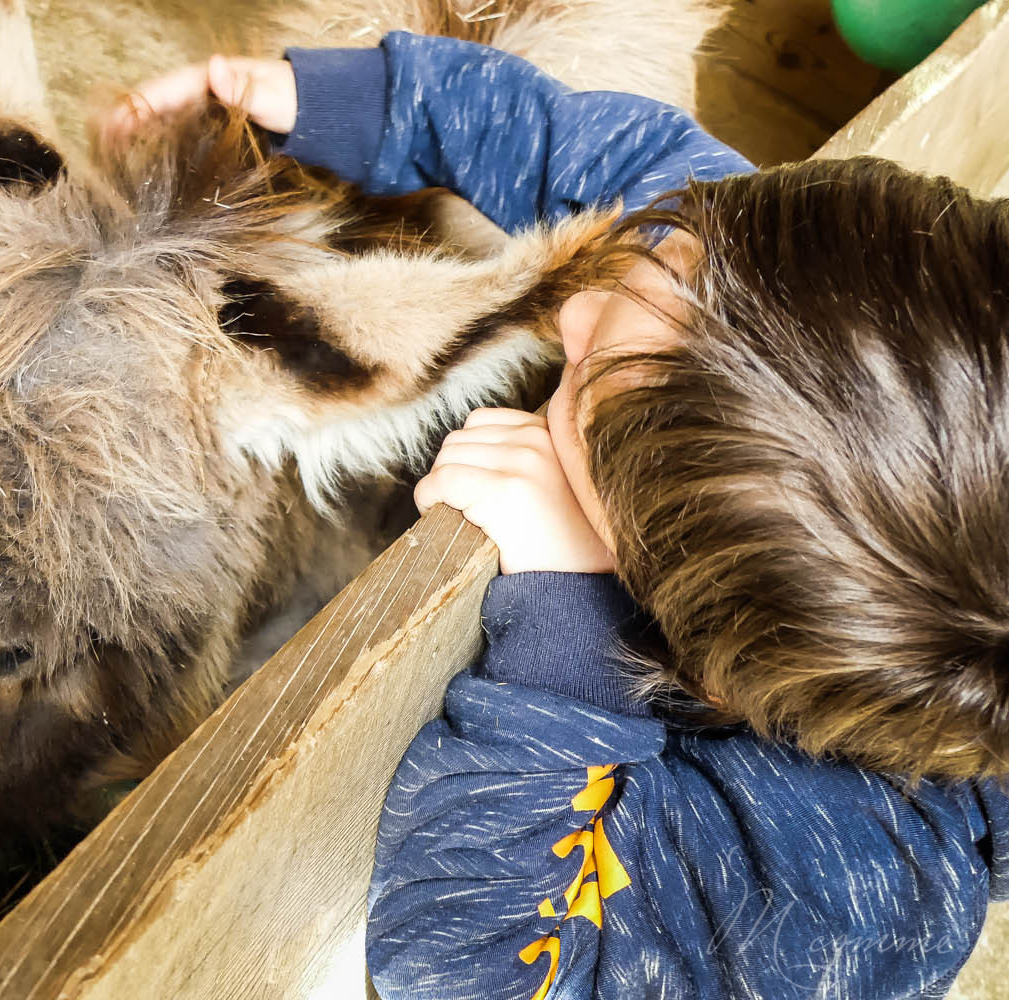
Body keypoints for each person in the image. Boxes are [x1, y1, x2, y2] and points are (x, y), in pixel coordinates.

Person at [104, 33, 1009, 999]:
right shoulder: (771, 284)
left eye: (583, 384)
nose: (572, 316)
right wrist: (354, 101)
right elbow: (609, 161)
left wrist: (569, 634)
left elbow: (484, 970)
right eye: (668, 251)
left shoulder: (828, 901)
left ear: (700, 657)